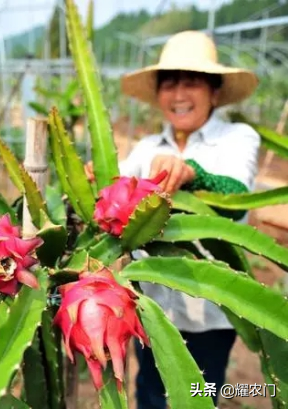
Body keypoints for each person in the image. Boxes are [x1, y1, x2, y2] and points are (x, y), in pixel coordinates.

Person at [86, 31, 260, 408]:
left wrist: (192, 173)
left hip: (209, 313)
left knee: (200, 394)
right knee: (149, 391)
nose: (179, 94)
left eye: (192, 82)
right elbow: (116, 200)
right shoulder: (147, 148)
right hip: (154, 306)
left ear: (214, 91)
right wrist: (97, 187)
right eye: (170, 83)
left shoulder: (238, 137)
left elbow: (235, 197)